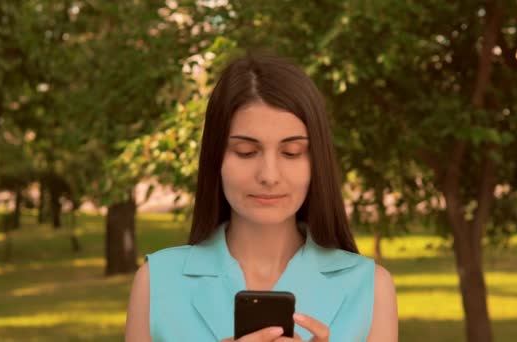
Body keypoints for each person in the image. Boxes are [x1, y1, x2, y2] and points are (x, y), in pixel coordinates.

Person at [125, 54, 398, 341]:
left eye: (291, 152)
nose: (269, 175)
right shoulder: (158, 282)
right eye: (246, 151)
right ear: (215, 157)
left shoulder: (370, 288)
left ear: (317, 161)